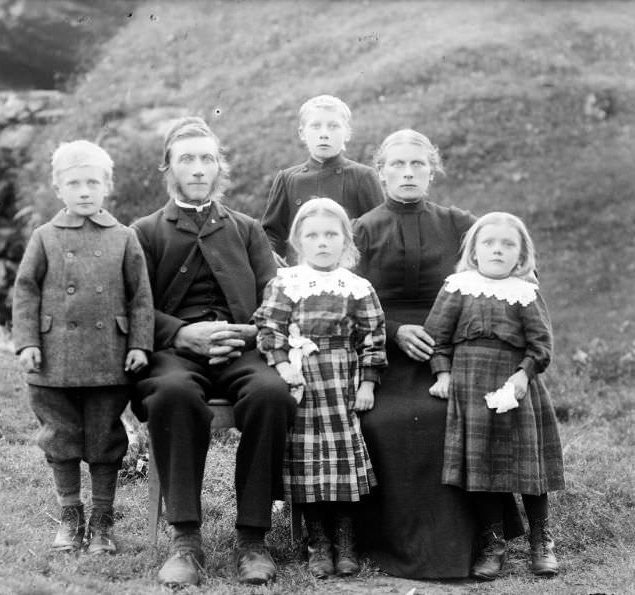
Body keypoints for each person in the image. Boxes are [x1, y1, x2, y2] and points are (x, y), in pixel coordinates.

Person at [129, 117, 297, 587]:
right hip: (173, 353)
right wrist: (184, 335)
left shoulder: (245, 230)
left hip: (242, 348)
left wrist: (244, 334)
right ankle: (185, 539)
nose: (199, 168)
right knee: (172, 395)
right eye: (187, 159)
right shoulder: (144, 232)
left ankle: (252, 538)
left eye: (207, 158)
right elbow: (135, 306)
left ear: (219, 166)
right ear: (168, 168)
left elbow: (275, 297)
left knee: (272, 394)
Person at [353, 129, 523, 579]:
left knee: (450, 414)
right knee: (384, 419)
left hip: (455, 350)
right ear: (381, 172)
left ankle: (484, 538)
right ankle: (374, 540)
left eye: (417, 165)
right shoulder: (364, 228)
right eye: (397, 165)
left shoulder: (459, 222)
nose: (408, 173)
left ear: (432, 171)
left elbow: (513, 266)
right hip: (385, 351)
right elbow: (348, 299)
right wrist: (394, 331)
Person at [12, 140, 154, 555]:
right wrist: (27, 343)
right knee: (60, 435)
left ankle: (103, 521)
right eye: (74, 183)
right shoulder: (44, 237)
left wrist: (140, 345)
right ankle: (70, 517)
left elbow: (140, 297)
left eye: (93, 182)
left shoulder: (124, 237)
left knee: (105, 438)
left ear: (107, 185)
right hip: (53, 356)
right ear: (59, 189)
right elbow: (25, 292)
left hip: (108, 355)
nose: (85, 191)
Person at [425, 211, 564, 580]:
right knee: (481, 463)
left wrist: (524, 374)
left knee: (528, 464)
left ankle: (541, 541)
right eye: (489, 243)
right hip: (469, 383)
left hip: (515, 386)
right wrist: (442, 372)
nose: (497, 250)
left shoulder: (525, 292)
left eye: (507, 245)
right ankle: (493, 543)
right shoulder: (457, 287)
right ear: (474, 251)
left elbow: (541, 344)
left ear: (521, 255)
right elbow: (437, 337)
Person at [254, 197, 387, 579]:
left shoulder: (356, 287)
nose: (323, 242)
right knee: (309, 460)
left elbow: (373, 337)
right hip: (302, 381)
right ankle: (318, 541)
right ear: (298, 241)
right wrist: (282, 366)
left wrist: (368, 382)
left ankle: (345, 539)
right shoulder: (286, 283)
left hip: (341, 377)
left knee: (342, 457)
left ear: (346, 241)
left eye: (331, 234)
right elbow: (271, 328)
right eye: (313, 235)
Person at [261, 94, 384, 263]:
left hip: (349, 276)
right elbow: (271, 233)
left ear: (347, 133)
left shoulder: (363, 176)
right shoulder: (287, 179)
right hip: (300, 276)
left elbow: (379, 232)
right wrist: (270, 253)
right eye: (316, 126)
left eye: (333, 126)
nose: (324, 134)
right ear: (302, 133)